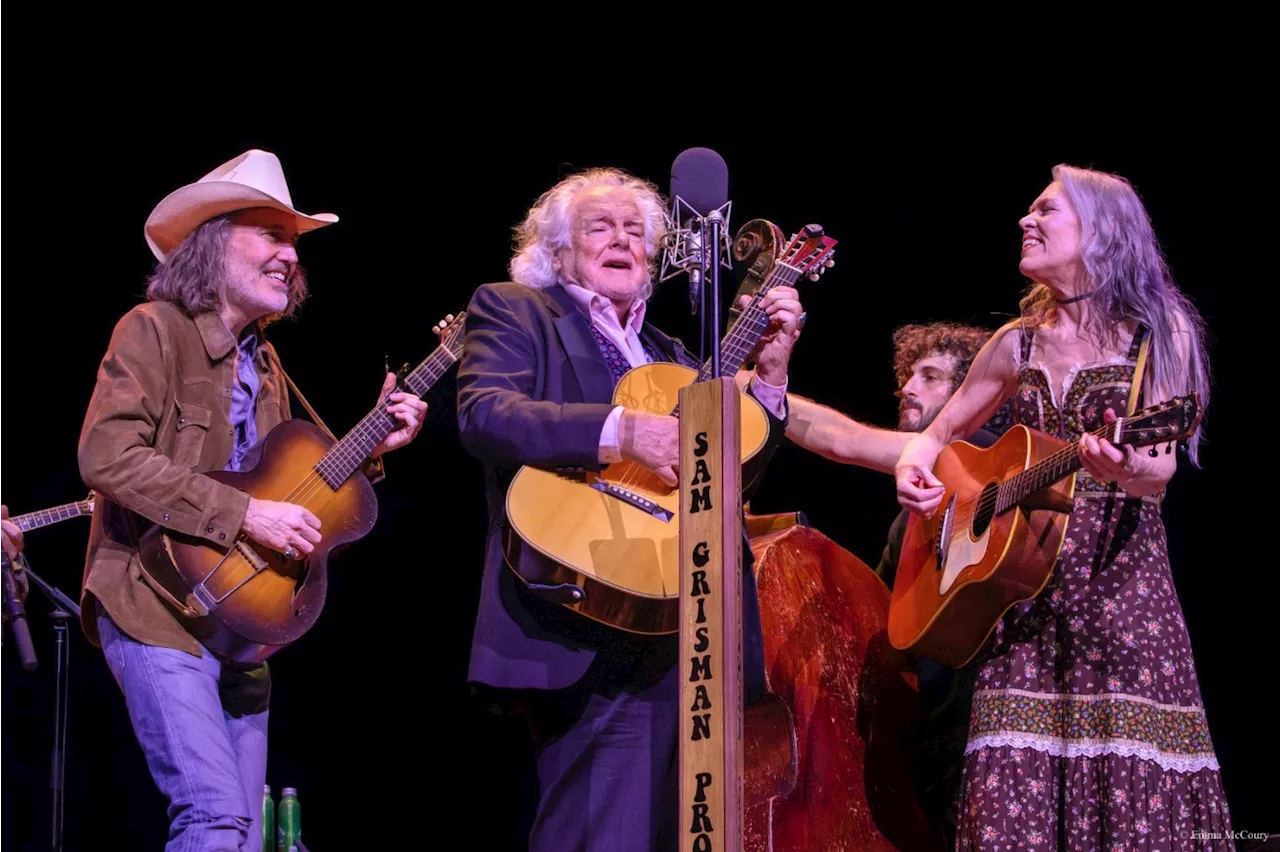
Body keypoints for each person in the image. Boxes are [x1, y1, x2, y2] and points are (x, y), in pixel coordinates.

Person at [76, 149, 429, 850]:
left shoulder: (264, 363)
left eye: (294, 243)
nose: (291, 256)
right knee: (213, 818)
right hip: (153, 603)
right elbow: (106, 455)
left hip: (241, 626)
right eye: (272, 235)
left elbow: (300, 481)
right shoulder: (153, 329)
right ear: (213, 242)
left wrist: (378, 448)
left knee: (243, 835)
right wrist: (246, 515)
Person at [457, 166, 804, 851]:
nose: (623, 239)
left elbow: (729, 480)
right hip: (581, 601)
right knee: (600, 830)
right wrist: (622, 432)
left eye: (637, 230)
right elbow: (484, 415)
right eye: (600, 227)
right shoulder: (517, 310)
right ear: (556, 253)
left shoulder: (671, 352)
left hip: (687, 615)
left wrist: (769, 379)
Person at [895, 164, 1230, 848]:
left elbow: (1158, 470)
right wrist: (913, 467)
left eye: (1046, 210)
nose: (1026, 221)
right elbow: (938, 433)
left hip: (1120, 595)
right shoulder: (1017, 341)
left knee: (1130, 796)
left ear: (1102, 231)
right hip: (1019, 604)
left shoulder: (1157, 329)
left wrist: (1125, 463)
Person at [784, 320, 1012, 845]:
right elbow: (882, 611)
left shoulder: (979, 462)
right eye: (907, 376)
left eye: (929, 377)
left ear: (968, 396)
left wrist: (766, 395)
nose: (907, 388)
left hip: (979, 719)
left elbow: (843, 439)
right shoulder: (914, 504)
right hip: (930, 733)